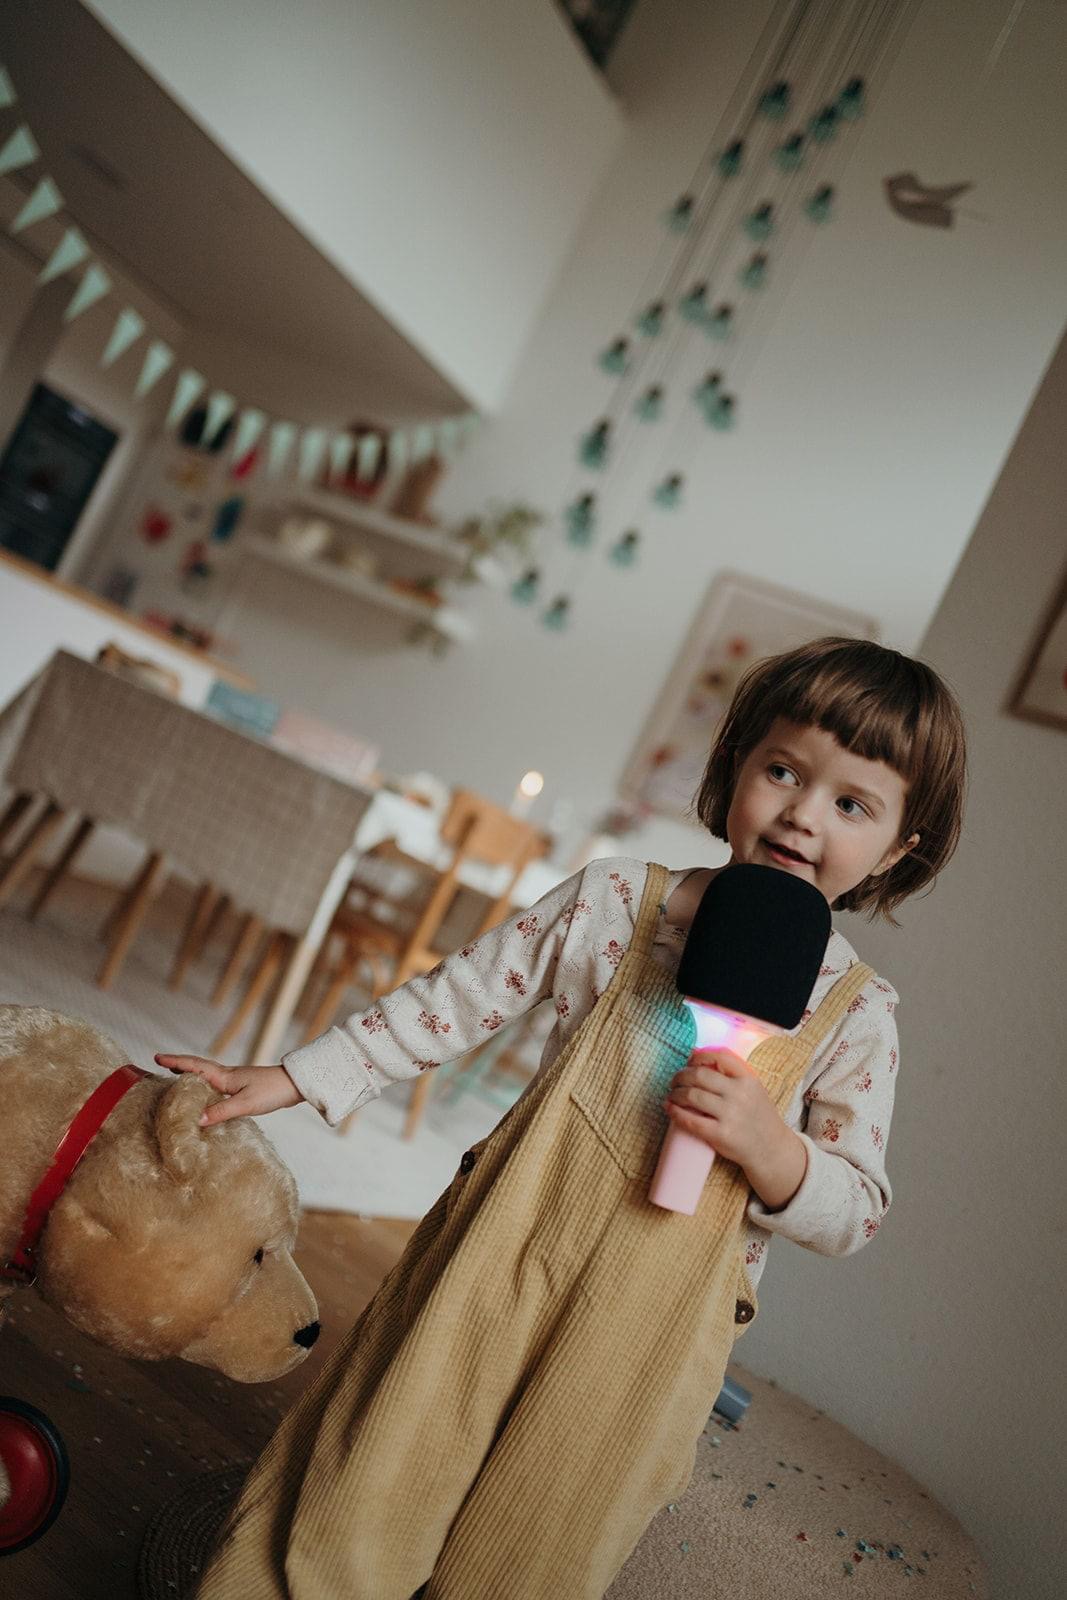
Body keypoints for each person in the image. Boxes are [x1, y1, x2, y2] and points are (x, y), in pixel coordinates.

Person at [157, 635, 967, 1600]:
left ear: (898, 846)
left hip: (655, 1326)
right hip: (501, 1251)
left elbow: (856, 1209)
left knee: (541, 1539)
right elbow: (449, 1002)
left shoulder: (857, 1016)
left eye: (851, 804)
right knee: (375, 1468)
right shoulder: (618, 902)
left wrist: (774, 1151)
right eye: (782, 770)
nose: (801, 815)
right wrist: (294, 1076)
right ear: (735, 762)